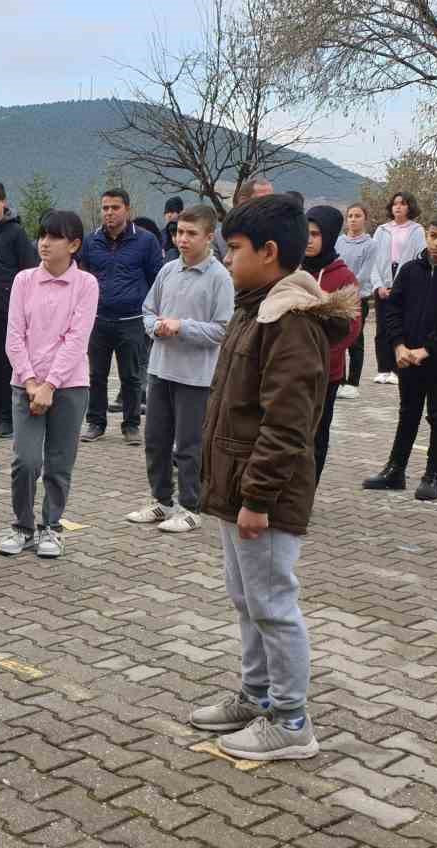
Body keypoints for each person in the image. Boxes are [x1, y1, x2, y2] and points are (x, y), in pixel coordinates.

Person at [189, 194, 355, 761]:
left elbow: (288, 424)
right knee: (247, 598)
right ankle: (256, 694)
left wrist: (257, 498)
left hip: (262, 495)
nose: (226, 259)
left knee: (273, 603)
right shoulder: (253, 307)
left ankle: (290, 720)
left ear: (269, 252)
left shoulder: (289, 322)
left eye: (233, 250)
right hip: (238, 489)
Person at [125, 204, 232, 532]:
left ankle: (190, 506)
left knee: (188, 445)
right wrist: (153, 326)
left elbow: (222, 329)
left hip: (196, 377)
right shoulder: (168, 270)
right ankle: (161, 501)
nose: (182, 239)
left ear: (209, 236)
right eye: (179, 232)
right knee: (155, 440)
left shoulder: (220, 278)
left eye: (190, 234)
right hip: (160, 370)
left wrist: (181, 327)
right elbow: (146, 310)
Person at [0, 210, 98, 559]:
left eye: (54, 237)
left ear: (73, 245)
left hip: (69, 386)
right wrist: (29, 380)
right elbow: (13, 336)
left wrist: (51, 385)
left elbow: (76, 339)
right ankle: (22, 526)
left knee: (59, 463)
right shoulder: (24, 280)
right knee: (25, 461)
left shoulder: (86, 285)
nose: (44, 242)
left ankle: (51, 528)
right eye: (41, 235)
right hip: (24, 385)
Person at [364, 210, 437, 500]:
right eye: (433, 236)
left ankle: (433, 475)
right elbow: (392, 309)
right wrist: (399, 346)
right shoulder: (411, 270)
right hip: (406, 357)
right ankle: (395, 470)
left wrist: (427, 349)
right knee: (407, 412)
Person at [80, 188, 164, 444]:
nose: (109, 213)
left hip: (132, 321)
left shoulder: (147, 241)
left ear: (127, 210)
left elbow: (156, 279)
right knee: (96, 375)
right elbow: (83, 276)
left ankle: (131, 425)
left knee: (130, 376)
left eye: (114, 207)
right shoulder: (90, 241)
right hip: (98, 319)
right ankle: (96, 423)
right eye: (105, 208)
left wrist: (149, 313)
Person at [0, 180, 40, 460]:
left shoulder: (15, 234)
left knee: (4, 366)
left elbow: (29, 271)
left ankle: (7, 418)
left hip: (6, 310)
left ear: (3, 202)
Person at [303, 205, 363, 482]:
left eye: (315, 234)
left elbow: (351, 329)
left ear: (328, 236)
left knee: (317, 433)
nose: (309, 239)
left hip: (326, 372)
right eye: (305, 233)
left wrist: (321, 350)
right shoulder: (292, 271)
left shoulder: (343, 277)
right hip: (289, 368)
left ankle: (306, 492)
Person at [367, 191, 426, 386]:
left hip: (406, 282)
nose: (398, 207)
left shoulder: (417, 230)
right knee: (382, 328)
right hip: (383, 281)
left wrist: (401, 284)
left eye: (402, 203)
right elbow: (373, 259)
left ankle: (396, 368)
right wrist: (379, 285)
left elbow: (420, 257)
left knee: (401, 326)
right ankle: (383, 368)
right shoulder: (382, 230)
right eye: (395, 204)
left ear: (410, 206)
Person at [334, 203, 376, 400]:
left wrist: (348, 289)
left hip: (358, 298)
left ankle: (353, 382)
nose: (353, 219)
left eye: (357, 215)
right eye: (350, 215)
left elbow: (365, 274)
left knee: (355, 341)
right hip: (337, 299)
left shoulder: (370, 244)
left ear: (364, 219)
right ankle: (339, 380)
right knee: (338, 339)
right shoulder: (339, 242)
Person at [162, 196, 184, 263]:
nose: (169, 215)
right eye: (166, 212)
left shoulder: (186, 231)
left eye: (172, 212)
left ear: (180, 213)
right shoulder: (161, 234)